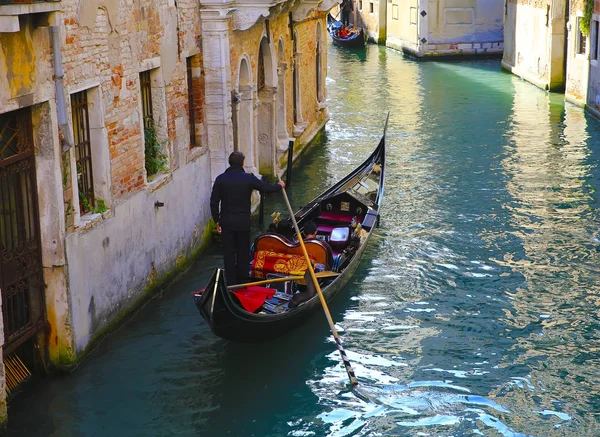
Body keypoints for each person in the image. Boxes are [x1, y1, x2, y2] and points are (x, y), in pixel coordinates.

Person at [210, 151, 285, 287]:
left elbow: (214, 202)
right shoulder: (248, 179)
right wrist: (279, 186)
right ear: (243, 163)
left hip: (227, 222)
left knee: (228, 254)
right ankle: (243, 281)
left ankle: (231, 283)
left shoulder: (220, 179)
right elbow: (266, 188)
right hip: (243, 223)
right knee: (243, 252)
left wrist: (217, 220)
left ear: (230, 163)